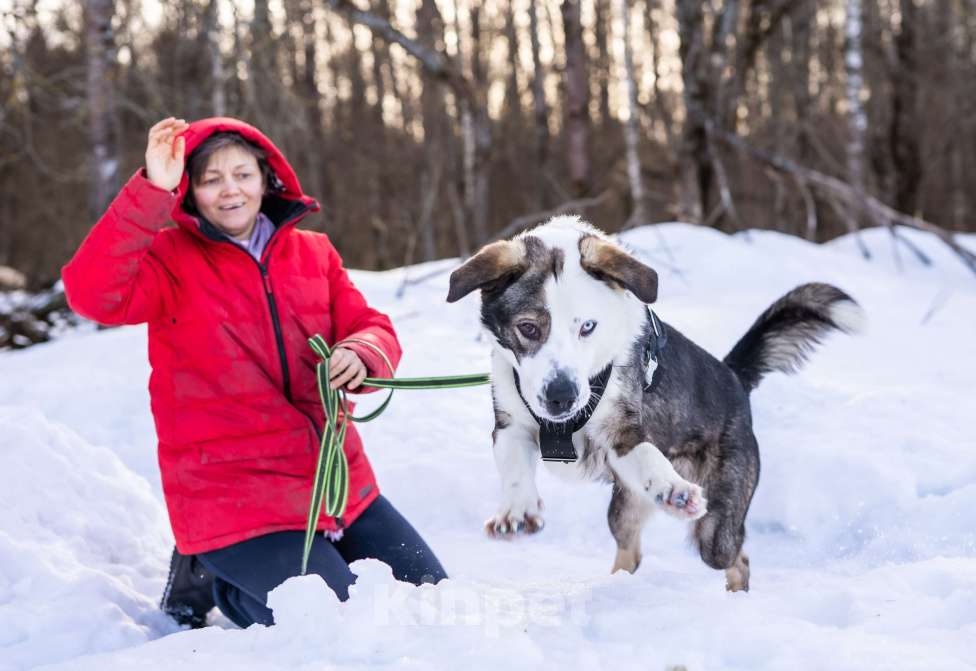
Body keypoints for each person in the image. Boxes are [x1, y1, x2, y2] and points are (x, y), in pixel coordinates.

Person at [62, 117, 447, 629]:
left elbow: (367, 324)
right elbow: (92, 294)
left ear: (267, 179)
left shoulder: (315, 253)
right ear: (190, 190)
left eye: (242, 174)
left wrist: (362, 351)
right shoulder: (168, 260)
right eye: (211, 178)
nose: (230, 190)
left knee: (434, 599)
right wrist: (151, 187)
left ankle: (279, 565)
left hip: (337, 484)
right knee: (329, 619)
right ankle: (221, 583)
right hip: (233, 498)